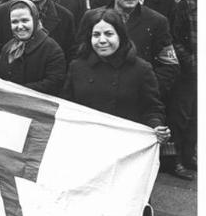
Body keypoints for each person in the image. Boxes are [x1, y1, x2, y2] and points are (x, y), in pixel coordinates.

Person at [63, 7, 170, 139]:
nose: (102, 40)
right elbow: (67, 108)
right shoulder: (77, 68)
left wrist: (156, 126)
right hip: (88, 140)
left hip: (126, 142)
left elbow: (152, 109)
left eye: (108, 34)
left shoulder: (141, 69)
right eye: (96, 35)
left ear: (121, 35)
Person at [79, 0, 179, 101]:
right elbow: (80, 57)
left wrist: (149, 92)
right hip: (97, 99)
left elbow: (168, 66)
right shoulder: (92, 18)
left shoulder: (157, 22)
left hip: (137, 104)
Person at [0, 0, 65, 95]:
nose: (20, 26)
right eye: (15, 22)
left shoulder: (51, 49)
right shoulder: (8, 48)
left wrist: (17, 90)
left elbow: (54, 84)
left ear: (35, 20)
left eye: (25, 20)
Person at [168, 0, 197, 180]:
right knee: (182, 116)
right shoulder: (183, 3)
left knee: (197, 116)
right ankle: (176, 160)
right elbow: (175, 40)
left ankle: (189, 155)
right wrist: (193, 62)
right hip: (188, 71)